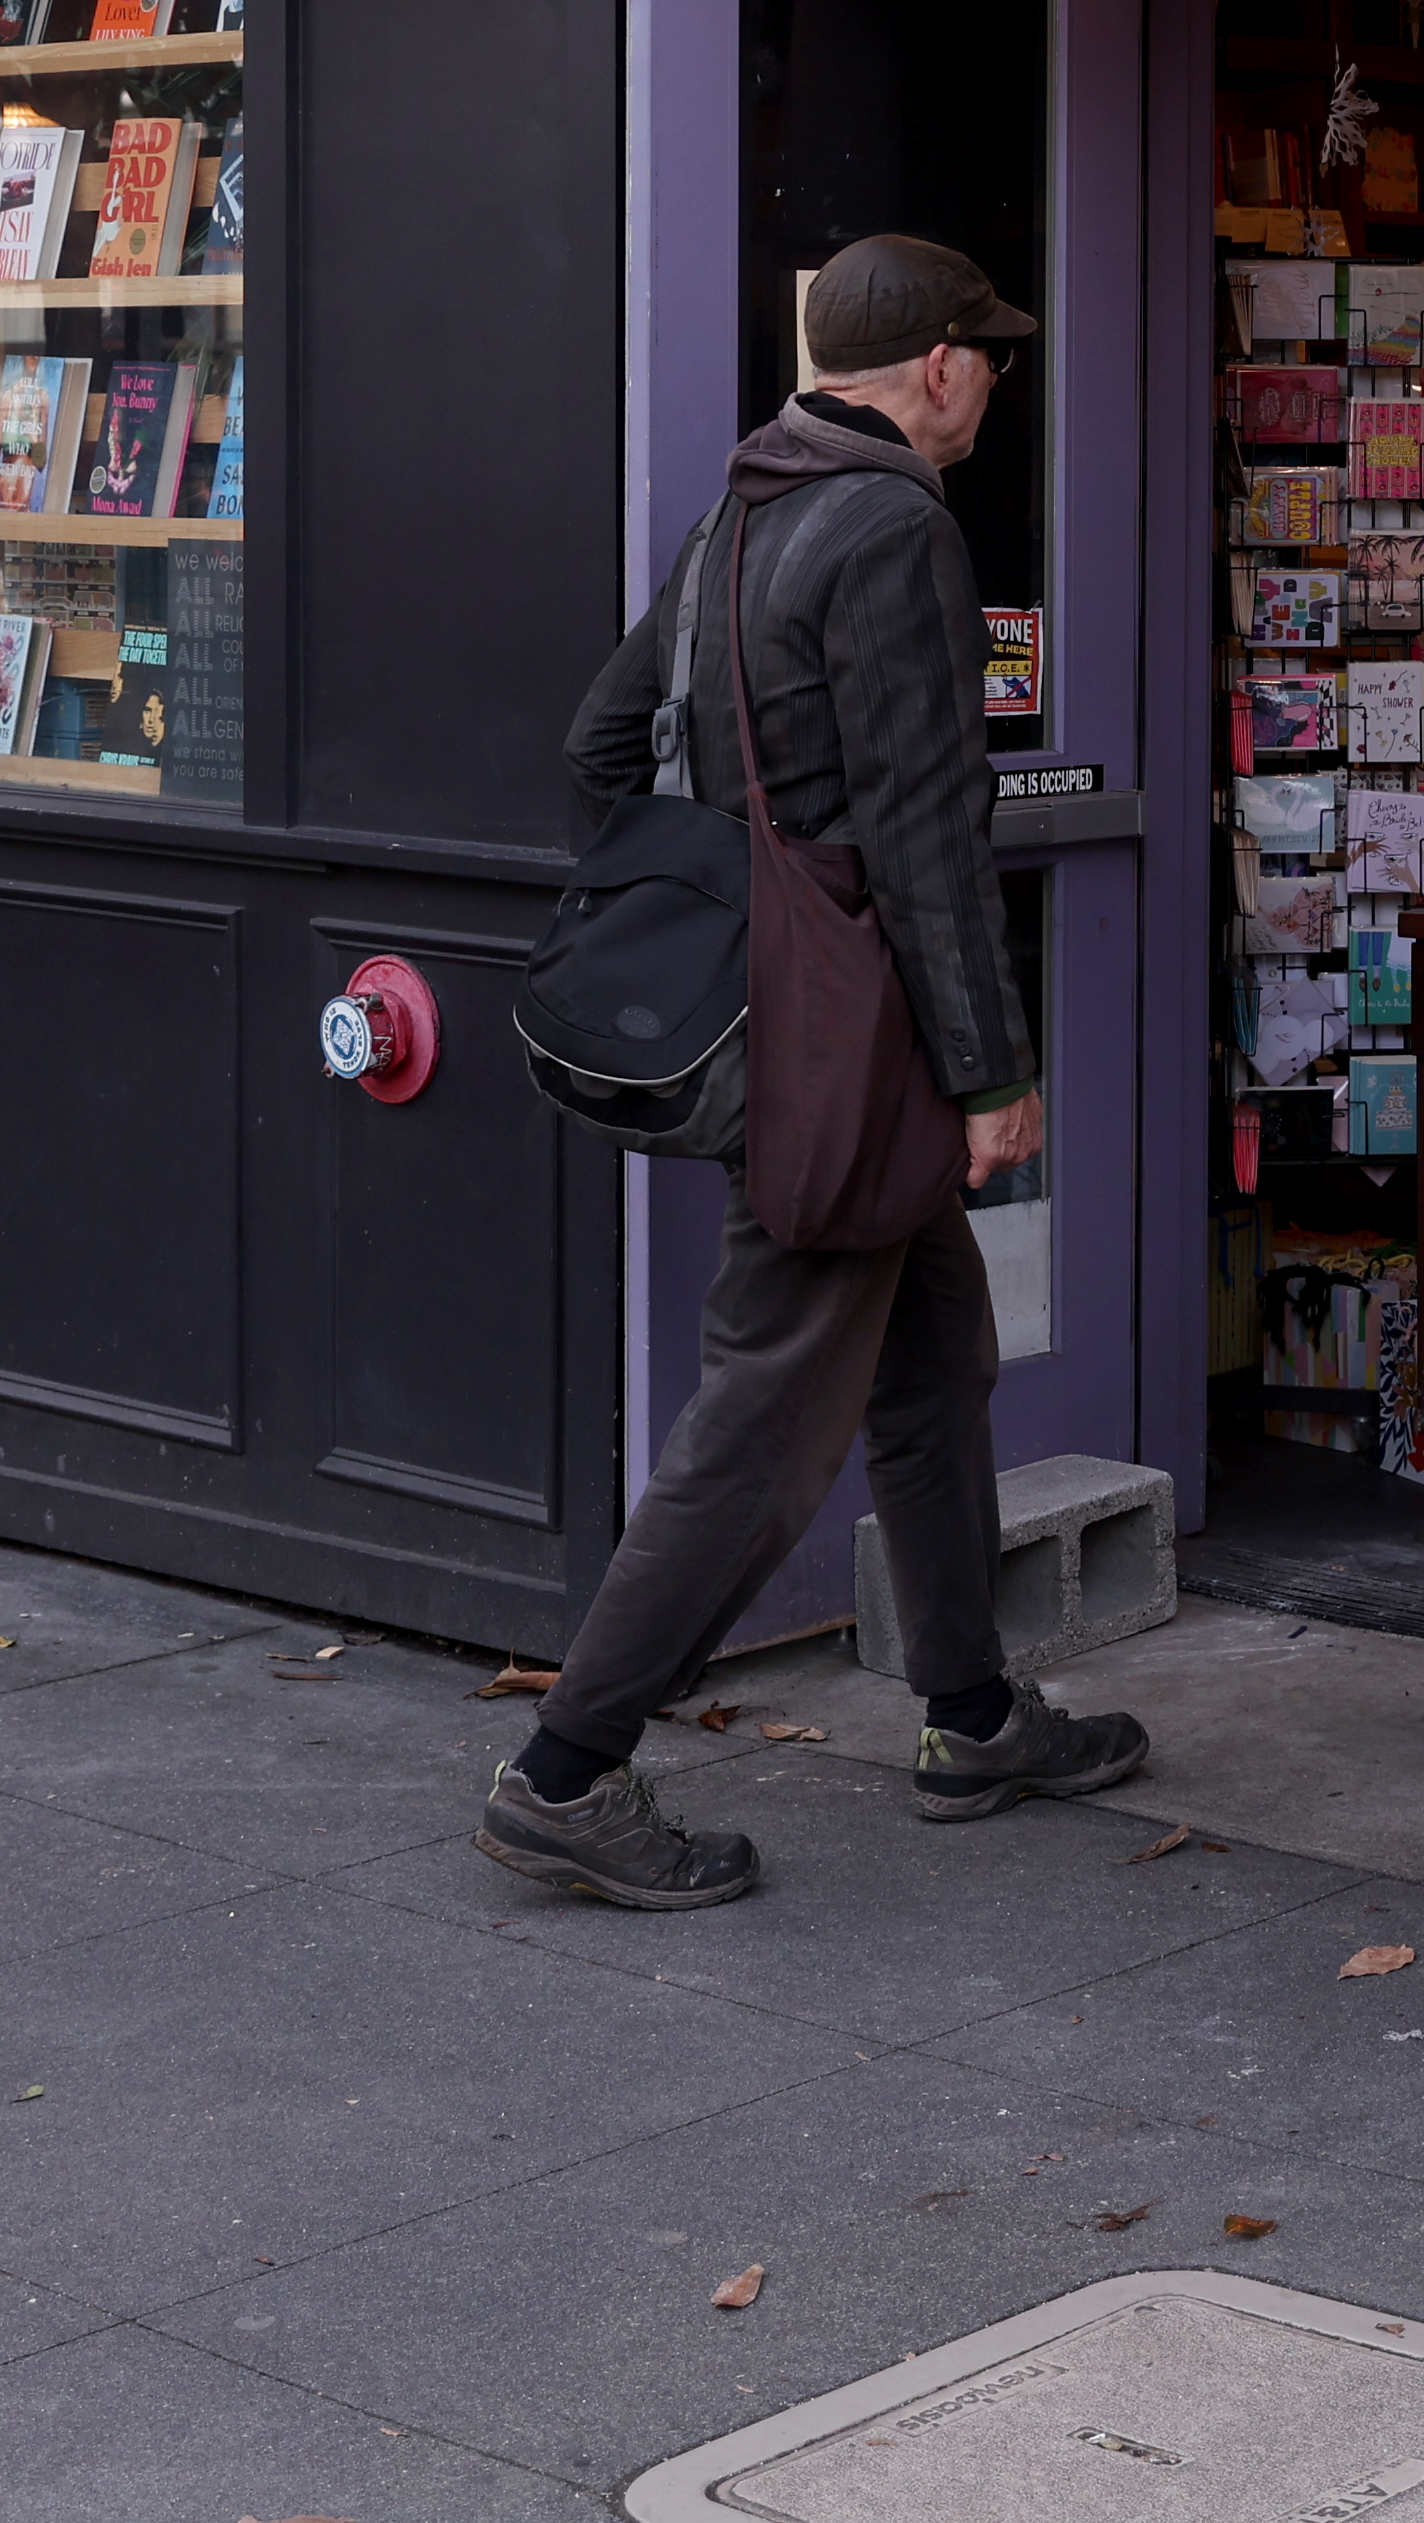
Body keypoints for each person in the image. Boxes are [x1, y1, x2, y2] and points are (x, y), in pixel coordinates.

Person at [477, 231, 1153, 1909]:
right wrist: (996, 1072)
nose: (993, 380)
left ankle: (974, 1713)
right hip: (855, 1061)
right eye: (984, 355)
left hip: (786, 1034)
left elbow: (598, 747)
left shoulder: (740, 518)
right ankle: (568, 1770)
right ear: (933, 369)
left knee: (934, 1361)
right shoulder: (896, 530)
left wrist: (727, 914)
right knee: (771, 1416)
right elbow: (930, 832)